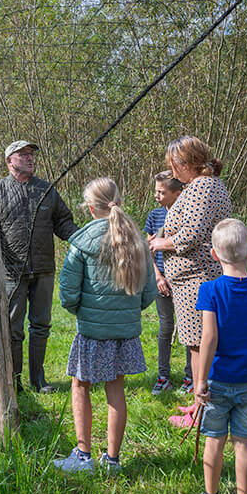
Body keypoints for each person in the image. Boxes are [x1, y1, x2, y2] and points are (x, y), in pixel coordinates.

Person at [53, 178, 157, 474]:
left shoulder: (83, 242)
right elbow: (148, 291)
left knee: (80, 385)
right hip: (124, 331)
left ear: (90, 208)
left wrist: (83, 312)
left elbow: (68, 292)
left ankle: (84, 455)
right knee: (116, 388)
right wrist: (127, 311)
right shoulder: (135, 238)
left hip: (92, 331)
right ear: (118, 201)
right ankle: (112, 460)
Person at [183, 218, 247, 494]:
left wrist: (200, 382)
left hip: (217, 380)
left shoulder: (210, 290)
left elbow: (209, 339)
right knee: (244, 441)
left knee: (214, 440)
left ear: (213, 255)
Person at [0, 140, 78, 393]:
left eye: (31, 154)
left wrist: (83, 239)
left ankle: (38, 380)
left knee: (41, 326)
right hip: (11, 272)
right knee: (13, 328)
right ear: (9, 162)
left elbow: (64, 222)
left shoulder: (46, 190)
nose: (30, 158)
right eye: (23, 154)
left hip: (43, 270)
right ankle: (14, 380)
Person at [148, 136, 231, 401]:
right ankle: (200, 405)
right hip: (192, 278)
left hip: (197, 277)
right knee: (198, 344)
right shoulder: (206, 185)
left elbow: (191, 234)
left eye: (173, 163)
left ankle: (200, 407)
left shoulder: (201, 187)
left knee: (198, 346)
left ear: (186, 163)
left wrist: (160, 242)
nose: (171, 170)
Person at [143, 171, 192, 395]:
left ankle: (190, 376)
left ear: (177, 193)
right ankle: (163, 376)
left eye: (162, 192)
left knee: (189, 329)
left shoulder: (188, 216)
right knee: (165, 327)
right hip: (161, 279)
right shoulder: (155, 216)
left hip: (184, 280)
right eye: (156, 191)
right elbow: (148, 249)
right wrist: (157, 276)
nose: (157, 195)